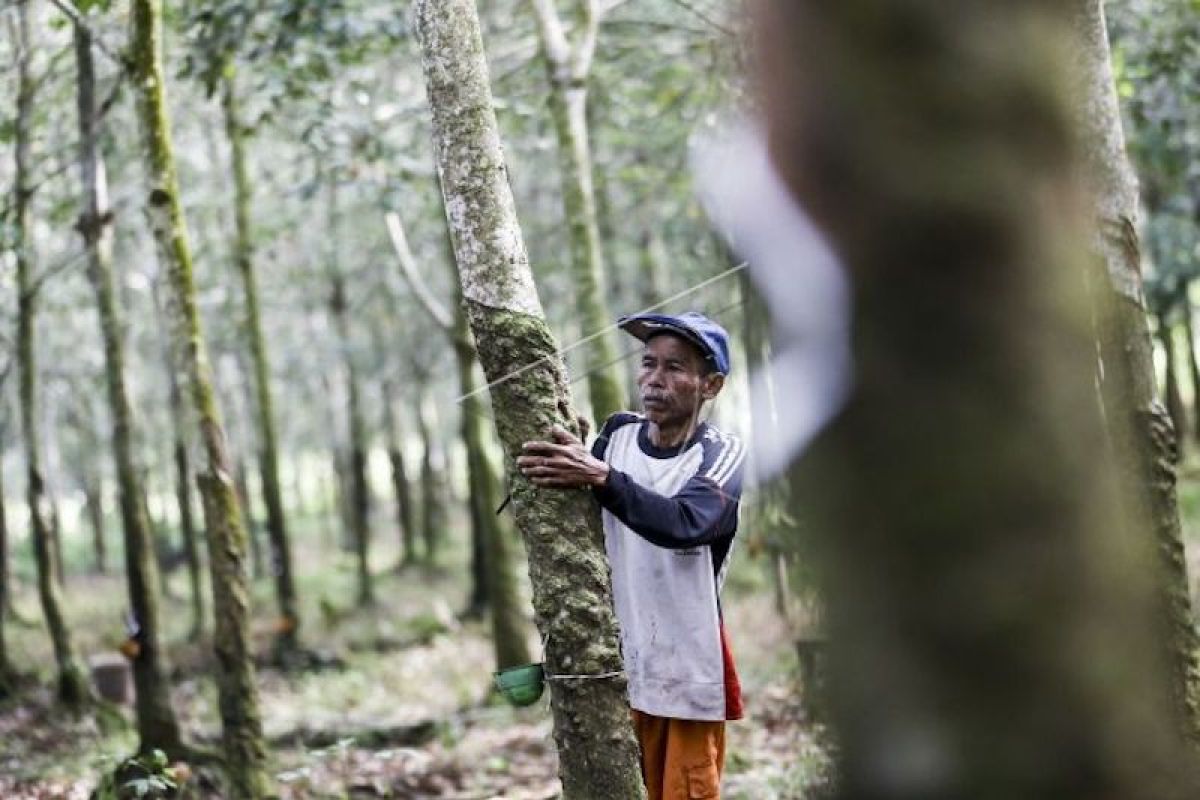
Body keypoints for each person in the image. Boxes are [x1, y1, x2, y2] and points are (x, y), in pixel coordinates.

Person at [518, 311, 745, 800]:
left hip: (687, 671)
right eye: (648, 364)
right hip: (617, 667)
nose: (654, 380)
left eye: (675, 368)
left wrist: (601, 476)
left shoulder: (721, 452)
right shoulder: (617, 436)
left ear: (711, 386)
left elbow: (687, 524)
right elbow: (584, 517)